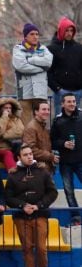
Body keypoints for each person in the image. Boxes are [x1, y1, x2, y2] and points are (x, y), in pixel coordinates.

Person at [5, 145, 58, 267]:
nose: (29, 157)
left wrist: (39, 205)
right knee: (27, 248)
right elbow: (8, 197)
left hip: (40, 214)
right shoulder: (13, 175)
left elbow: (53, 192)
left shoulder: (43, 172)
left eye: (30, 154)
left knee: (41, 248)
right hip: (21, 217)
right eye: (25, 155)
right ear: (19, 157)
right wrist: (22, 205)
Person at [50, 93, 82, 222]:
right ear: (62, 104)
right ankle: (76, 217)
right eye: (69, 102)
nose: (72, 104)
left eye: (74, 101)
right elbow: (52, 141)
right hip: (65, 163)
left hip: (81, 160)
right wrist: (63, 143)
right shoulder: (57, 121)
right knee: (69, 191)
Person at [13, 23, 53, 124]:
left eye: (37, 34)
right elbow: (21, 66)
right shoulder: (18, 49)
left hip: (41, 92)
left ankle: (41, 140)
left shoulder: (43, 48)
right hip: (24, 93)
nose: (35, 36)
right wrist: (41, 69)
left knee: (41, 123)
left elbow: (48, 62)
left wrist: (30, 59)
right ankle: (27, 140)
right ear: (25, 36)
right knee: (26, 124)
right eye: (32, 34)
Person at [48, 17, 82, 116]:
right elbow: (48, 72)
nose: (69, 33)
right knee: (60, 122)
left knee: (76, 122)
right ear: (61, 31)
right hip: (61, 93)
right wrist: (57, 89)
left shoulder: (79, 48)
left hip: (78, 92)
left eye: (71, 30)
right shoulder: (52, 49)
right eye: (66, 30)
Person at [0, 98, 24, 171]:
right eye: (6, 108)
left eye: (10, 108)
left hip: (14, 147)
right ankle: (13, 175)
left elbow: (21, 131)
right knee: (7, 153)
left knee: (26, 151)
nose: (8, 110)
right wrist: (4, 117)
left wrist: (5, 135)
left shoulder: (16, 119)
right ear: (0, 109)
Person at [23, 100, 57, 172]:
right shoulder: (31, 128)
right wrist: (50, 156)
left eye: (48, 109)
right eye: (44, 109)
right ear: (36, 112)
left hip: (46, 167)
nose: (47, 112)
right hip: (38, 169)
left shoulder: (43, 126)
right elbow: (30, 149)